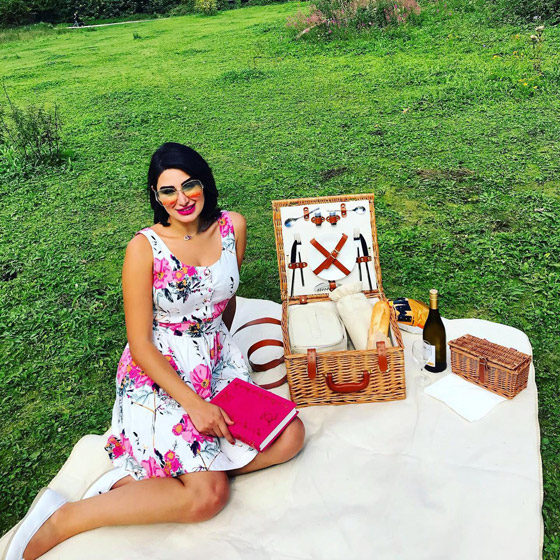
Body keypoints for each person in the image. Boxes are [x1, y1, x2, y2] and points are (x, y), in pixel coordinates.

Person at [6, 143, 305, 560]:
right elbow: (140, 343)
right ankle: (64, 517)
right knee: (208, 496)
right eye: (168, 191)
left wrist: (222, 357)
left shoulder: (232, 227)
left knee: (290, 435)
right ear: (155, 195)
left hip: (217, 364)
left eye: (190, 185)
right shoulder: (144, 248)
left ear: (204, 183)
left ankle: (147, 480)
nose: (182, 199)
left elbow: (224, 299)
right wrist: (195, 406)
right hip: (160, 373)